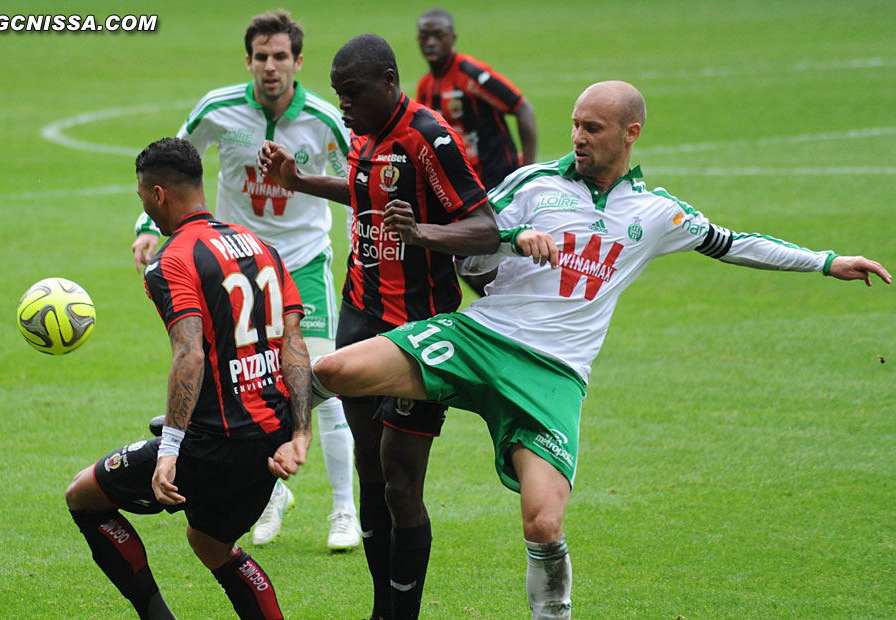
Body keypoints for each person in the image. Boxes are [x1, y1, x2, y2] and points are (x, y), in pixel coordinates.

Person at [306, 80, 892, 620]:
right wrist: (512, 242)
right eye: (575, 125)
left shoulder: (657, 214)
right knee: (333, 369)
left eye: (593, 128)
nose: (578, 137)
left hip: (554, 379)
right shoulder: (535, 184)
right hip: (481, 339)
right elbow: (470, 251)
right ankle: (275, 438)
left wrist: (826, 262)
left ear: (630, 133)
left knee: (544, 522)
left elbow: (734, 244)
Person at [258, 34, 499, 620]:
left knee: (399, 480)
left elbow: (484, 226)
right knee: (370, 470)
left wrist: (424, 235)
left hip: (421, 331)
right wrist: (301, 183)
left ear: (389, 82)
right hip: (361, 316)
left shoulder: (428, 136)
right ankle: (380, 610)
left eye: (354, 92)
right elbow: (364, 190)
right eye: (339, 94)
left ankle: (403, 612)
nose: (344, 105)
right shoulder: (364, 134)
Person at [129, 10, 359, 550]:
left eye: (281, 57)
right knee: (245, 382)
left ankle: (344, 511)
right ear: (248, 61)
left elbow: (360, 176)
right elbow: (175, 161)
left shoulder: (324, 120)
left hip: (299, 262)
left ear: (298, 62)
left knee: (319, 378)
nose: (271, 67)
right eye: (261, 57)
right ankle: (271, 489)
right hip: (229, 262)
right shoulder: (219, 109)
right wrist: (146, 225)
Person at [66, 137, 313, 620]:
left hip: (213, 444)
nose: (143, 205)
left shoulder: (171, 260)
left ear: (158, 195)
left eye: (142, 196)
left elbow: (189, 352)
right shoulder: (263, 248)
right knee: (210, 545)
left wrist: (171, 449)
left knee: (83, 496)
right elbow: (294, 344)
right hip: (269, 442)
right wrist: (301, 433)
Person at [416, 8, 537, 297]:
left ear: (452, 38)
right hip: (467, 190)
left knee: (478, 255)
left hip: (500, 182)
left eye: (438, 36)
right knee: (466, 259)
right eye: (424, 36)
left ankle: (508, 307)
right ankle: (505, 306)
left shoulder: (471, 74)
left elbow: (522, 108)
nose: (430, 42)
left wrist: (527, 172)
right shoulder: (426, 87)